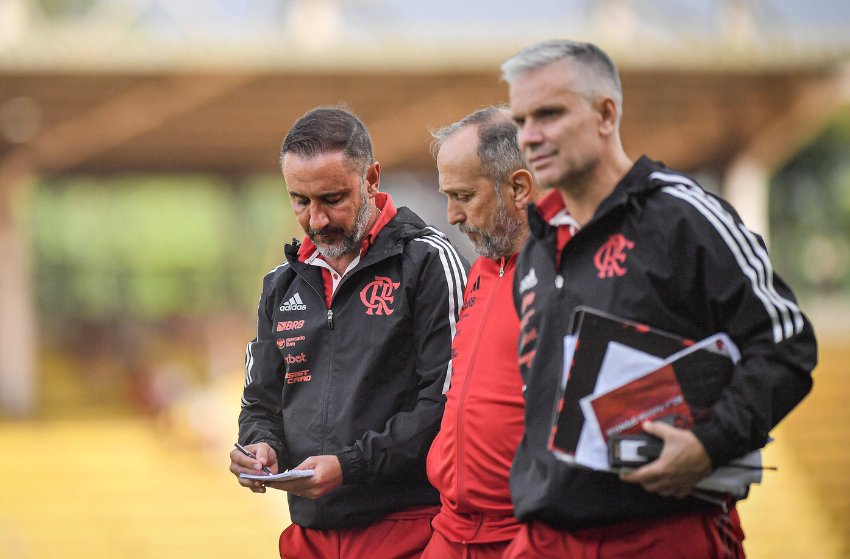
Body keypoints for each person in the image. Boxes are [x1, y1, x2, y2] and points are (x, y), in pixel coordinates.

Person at [500, 39, 818, 558]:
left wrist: (709, 443)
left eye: (549, 114)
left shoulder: (684, 216)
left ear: (606, 114)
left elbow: (787, 343)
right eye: (521, 120)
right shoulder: (537, 243)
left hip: (660, 532)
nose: (530, 136)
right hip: (545, 537)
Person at [229, 106, 468, 559]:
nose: (316, 219)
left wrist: (350, 466)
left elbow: (448, 403)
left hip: (410, 527)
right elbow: (260, 400)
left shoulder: (429, 261)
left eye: (332, 199)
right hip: (309, 535)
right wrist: (259, 445)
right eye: (300, 200)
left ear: (372, 178)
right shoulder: (280, 285)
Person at [421, 107, 540, 559]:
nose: (451, 215)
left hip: (525, 534)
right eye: (447, 195)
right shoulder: (483, 270)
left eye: (464, 195)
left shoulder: (571, 272)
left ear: (519, 187)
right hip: (452, 531)